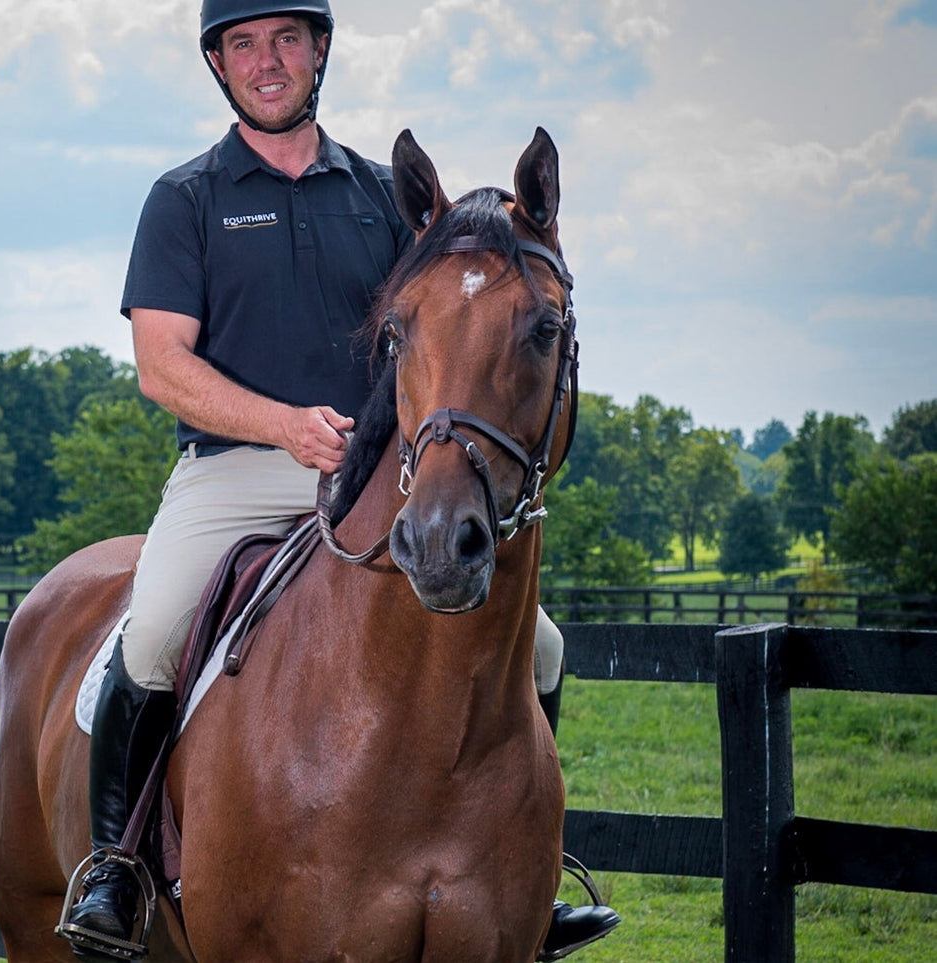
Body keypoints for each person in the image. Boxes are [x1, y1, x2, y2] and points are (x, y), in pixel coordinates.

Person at [59, 3, 620, 960]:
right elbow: (161, 365)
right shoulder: (184, 197)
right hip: (236, 470)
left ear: (319, 51)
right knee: (150, 631)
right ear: (217, 63)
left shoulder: (377, 193)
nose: (266, 62)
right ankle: (115, 864)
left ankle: (531, 866)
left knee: (541, 649)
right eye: (243, 44)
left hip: (379, 475)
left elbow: (442, 331)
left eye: (285, 39)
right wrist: (280, 424)